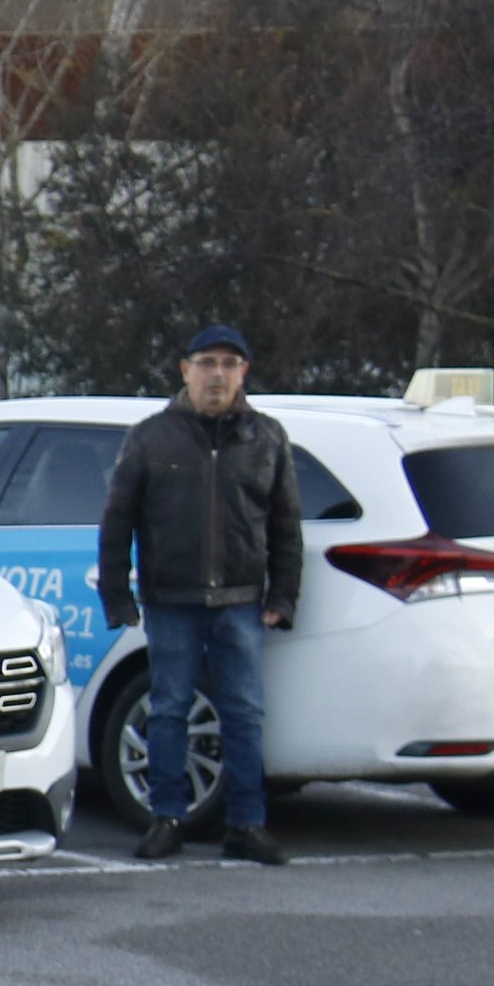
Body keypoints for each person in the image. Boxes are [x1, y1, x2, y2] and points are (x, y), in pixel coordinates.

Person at [100, 323, 303, 865]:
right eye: (207, 363)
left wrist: (283, 597)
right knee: (168, 710)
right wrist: (118, 597)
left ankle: (247, 823)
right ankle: (167, 818)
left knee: (244, 713)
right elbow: (117, 522)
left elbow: (286, 526)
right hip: (171, 599)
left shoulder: (267, 437)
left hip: (241, 600)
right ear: (185, 369)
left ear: (244, 373)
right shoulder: (149, 436)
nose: (218, 374)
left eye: (229, 364)